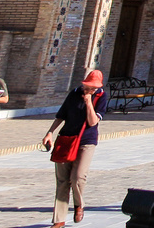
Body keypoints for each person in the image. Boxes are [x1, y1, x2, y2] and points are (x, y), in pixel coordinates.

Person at [41, 69, 104, 227]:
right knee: (62, 180)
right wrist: (49, 133)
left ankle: (78, 205)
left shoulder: (101, 96)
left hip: (86, 141)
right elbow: (61, 115)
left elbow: (93, 122)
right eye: (89, 87)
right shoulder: (74, 93)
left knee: (78, 177)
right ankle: (59, 220)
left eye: (94, 88)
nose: (91, 90)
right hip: (66, 139)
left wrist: (89, 102)